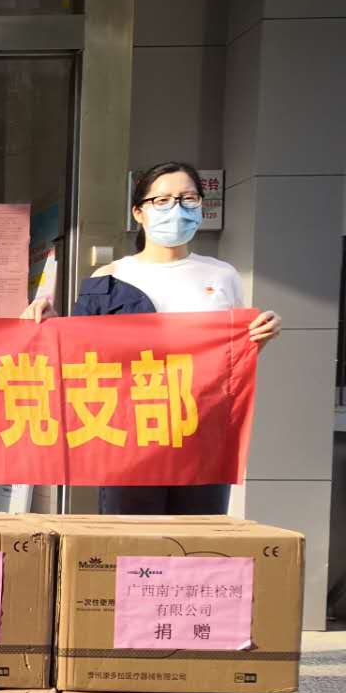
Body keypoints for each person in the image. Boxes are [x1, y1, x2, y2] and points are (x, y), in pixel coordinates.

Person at [23, 160, 280, 516]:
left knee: (197, 538)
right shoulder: (111, 276)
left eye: (188, 199)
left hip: (200, 432)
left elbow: (230, 359)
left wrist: (257, 341)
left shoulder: (222, 276)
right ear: (139, 212)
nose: (177, 209)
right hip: (131, 435)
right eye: (162, 200)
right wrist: (47, 325)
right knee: (131, 539)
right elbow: (79, 356)